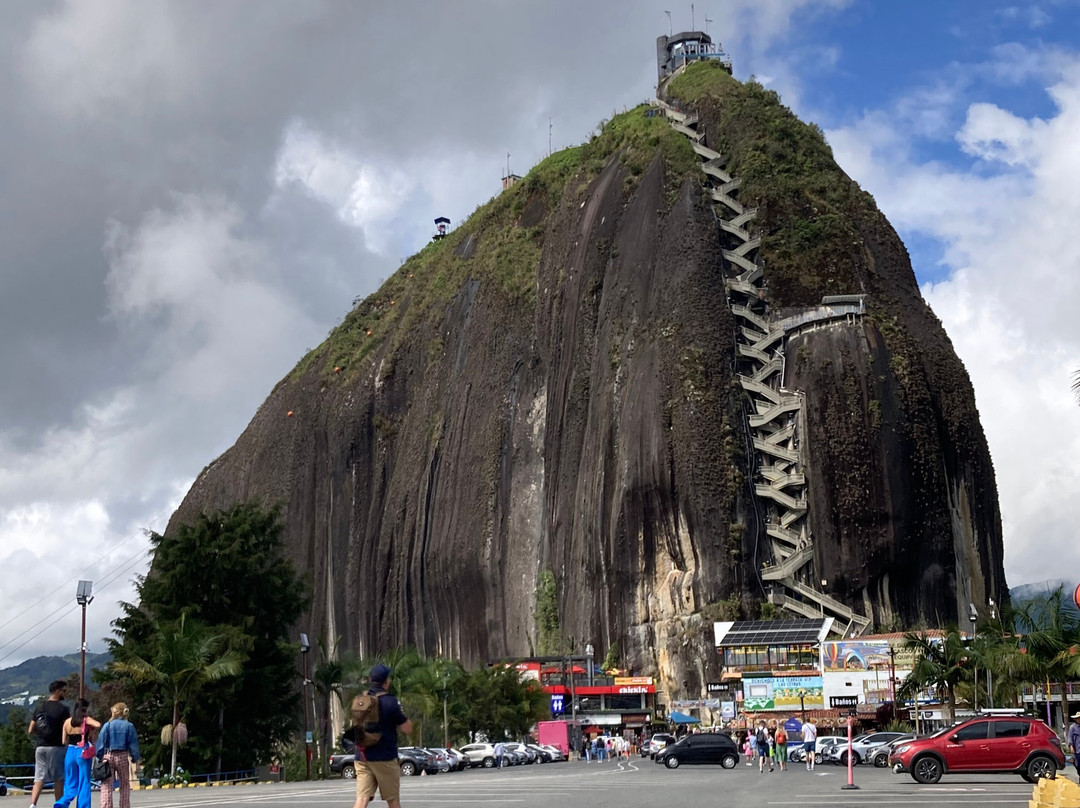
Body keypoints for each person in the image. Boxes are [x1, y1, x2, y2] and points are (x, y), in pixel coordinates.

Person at [352, 664, 412, 808]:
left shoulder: (361, 699)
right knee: (392, 800)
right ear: (386, 682)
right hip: (384, 757)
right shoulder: (390, 701)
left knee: (362, 799)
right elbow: (407, 728)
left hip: (362, 755)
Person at [28, 679, 70, 808]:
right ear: (58, 691)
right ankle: (59, 804)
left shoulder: (40, 707)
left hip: (40, 747)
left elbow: (30, 730)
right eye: (64, 690)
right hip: (56, 747)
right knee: (58, 778)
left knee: (39, 777)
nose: (65, 693)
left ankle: (33, 804)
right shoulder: (63, 709)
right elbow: (67, 728)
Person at [55, 699, 100, 808]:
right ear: (85, 709)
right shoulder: (85, 719)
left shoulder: (67, 722)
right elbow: (98, 725)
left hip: (70, 752)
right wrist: (88, 724)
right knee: (84, 781)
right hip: (82, 751)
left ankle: (62, 802)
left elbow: (63, 741)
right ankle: (83, 806)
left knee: (70, 781)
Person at [95, 702, 140, 808]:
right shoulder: (129, 726)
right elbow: (133, 745)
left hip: (108, 756)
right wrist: (135, 759)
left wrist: (100, 756)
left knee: (106, 785)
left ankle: (106, 806)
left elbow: (100, 743)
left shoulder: (108, 725)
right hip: (123, 756)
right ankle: (124, 805)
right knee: (124, 784)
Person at [1069, 711, 1080, 782]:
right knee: (1078, 765)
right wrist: (1071, 746)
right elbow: (1070, 738)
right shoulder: (1072, 727)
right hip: (1077, 750)